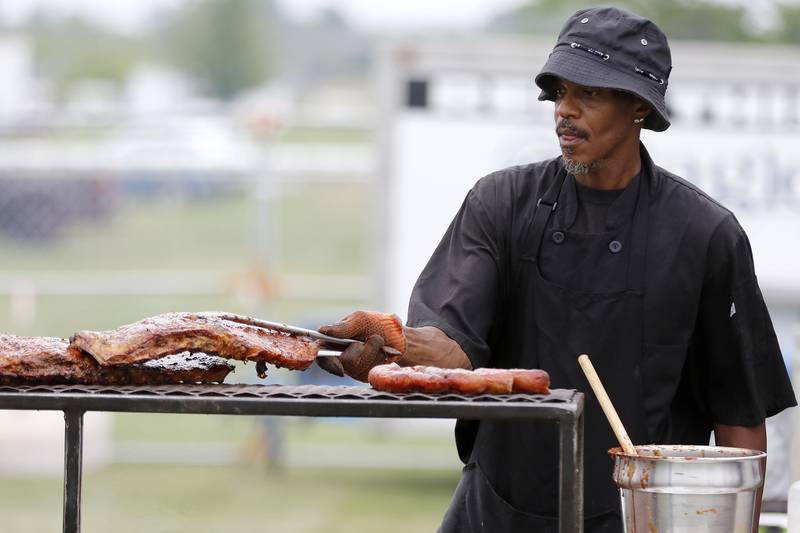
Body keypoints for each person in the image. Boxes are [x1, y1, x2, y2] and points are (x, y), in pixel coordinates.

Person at [316, 7, 797, 532]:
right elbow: (453, 348)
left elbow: (740, 417)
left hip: (638, 518)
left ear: (638, 105)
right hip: (497, 508)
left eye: (588, 95)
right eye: (560, 93)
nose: (564, 112)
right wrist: (394, 343)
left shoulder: (703, 234)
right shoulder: (500, 204)